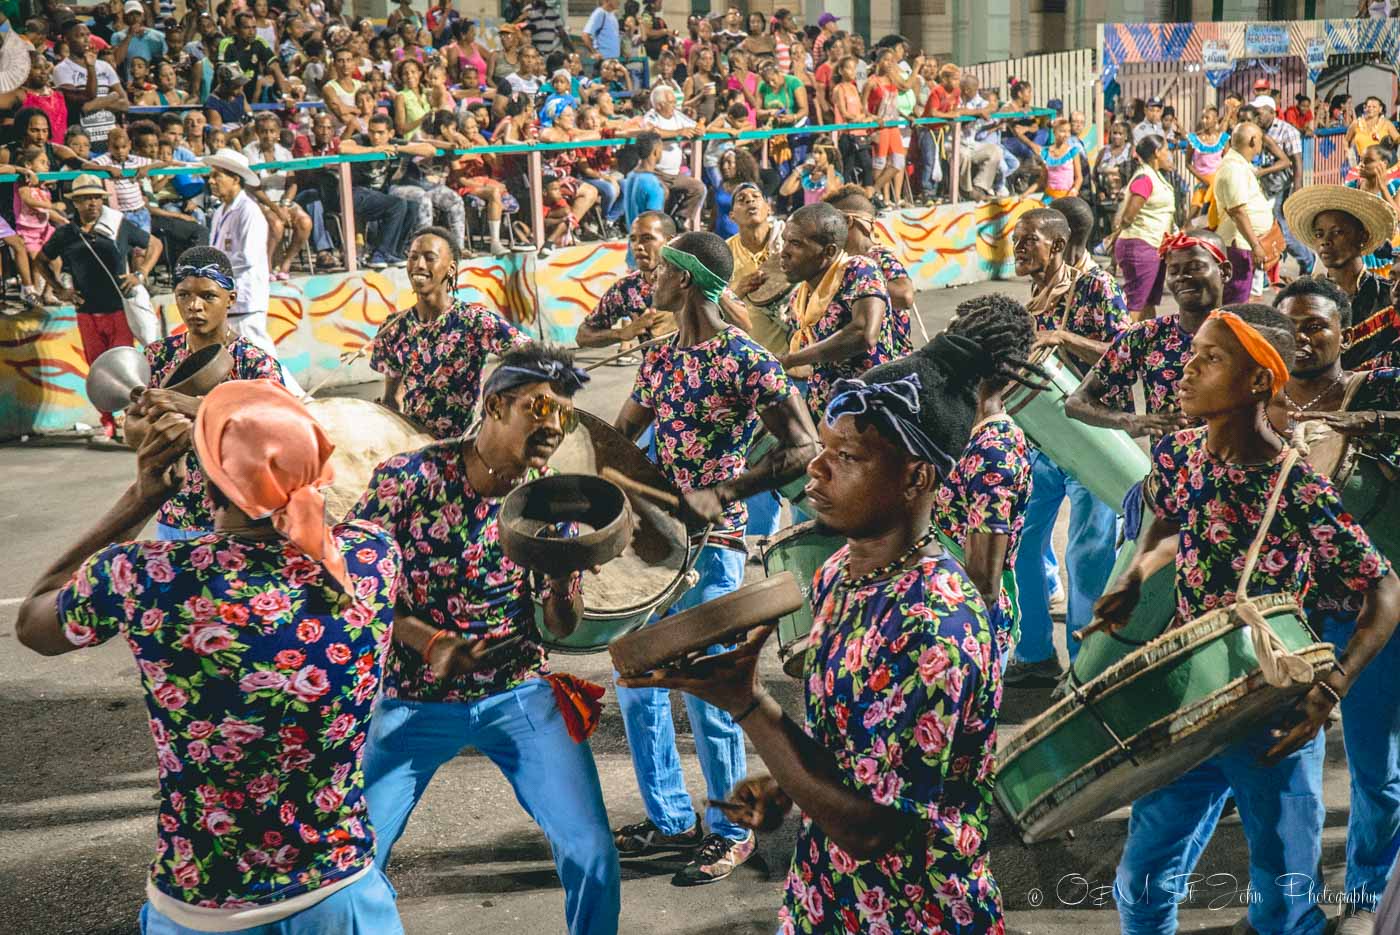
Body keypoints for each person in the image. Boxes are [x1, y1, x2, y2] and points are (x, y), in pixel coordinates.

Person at [620, 330, 1026, 933]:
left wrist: (748, 705)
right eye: (826, 447)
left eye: (849, 456)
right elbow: (851, 755)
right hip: (825, 894)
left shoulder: (933, 625)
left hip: (912, 910)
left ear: (916, 478)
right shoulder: (843, 568)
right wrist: (784, 782)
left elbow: (871, 827)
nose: (815, 466)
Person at [16, 380, 406, 933]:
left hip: (200, 905)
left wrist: (142, 496)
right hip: (340, 895)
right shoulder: (372, 560)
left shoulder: (146, 576)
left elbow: (34, 622)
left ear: (209, 479)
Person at [1096, 303, 1400, 935]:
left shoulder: (1298, 486)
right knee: (1142, 882)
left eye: (1211, 359)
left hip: (1274, 715)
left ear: (1260, 381)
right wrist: (1136, 573)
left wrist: (1332, 688)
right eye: (1194, 352)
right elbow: (1170, 517)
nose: (1187, 368)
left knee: (1284, 899)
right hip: (1190, 705)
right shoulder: (1180, 453)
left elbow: (1385, 589)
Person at [353, 339, 618, 935]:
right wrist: (430, 642)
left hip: (516, 691)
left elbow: (563, 625)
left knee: (593, 851)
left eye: (564, 413)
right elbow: (357, 588)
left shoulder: (552, 496)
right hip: (414, 699)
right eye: (539, 407)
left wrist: (558, 584)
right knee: (350, 858)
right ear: (495, 406)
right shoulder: (408, 479)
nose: (554, 425)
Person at [611, 230, 818, 886]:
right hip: (657, 548)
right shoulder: (661, 357)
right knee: (639, 686)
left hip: (716, 548)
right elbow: (619, 438)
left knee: (709, 694)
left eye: (662, 267)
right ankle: (670, 818)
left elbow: (805, 445)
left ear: (687, 281)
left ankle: (732, 829)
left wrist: (725, 489)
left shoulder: (744, 359)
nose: (650, 275)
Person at [1271, 275, 1400, 935]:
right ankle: (1290, 907)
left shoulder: (1377, 389)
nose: (1302, 335)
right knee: (1290, 780)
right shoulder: (1254, 403)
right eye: (1289, 323)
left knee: (1378, 774)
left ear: (1344, 331)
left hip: (1373, 615)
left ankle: (1366, 898)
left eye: (1317, 323)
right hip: (1289, 617)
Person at [1005, 207, 1127, 686]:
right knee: (1021, 545)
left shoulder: (1096, 287)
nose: (1017, 249)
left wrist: (1063, 336)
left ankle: (1087, 667)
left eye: (1027, 240)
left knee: (1088, 554)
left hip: (1089, 440)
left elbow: (1124, 352)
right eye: (1015, 240)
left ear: (1056, 244)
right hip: (1038, 440)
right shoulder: (1036, 292)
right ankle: (1034, 651)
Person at [135, 248, 286, 540]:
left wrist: (193, 407)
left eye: (208, 296)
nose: (194, 306)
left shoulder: (255, 362)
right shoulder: (158, 356)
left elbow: (276, 434)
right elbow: (133, 431)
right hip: (174, 515)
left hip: (241, 521)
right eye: (184, 295)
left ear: (231, 299)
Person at [934, 293, 1040, 664]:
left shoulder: (993, 452)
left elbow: (982, 584)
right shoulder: (962, 423)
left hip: (962, 630)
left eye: (951, 337)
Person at [367, 227, 531, 440]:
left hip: (463, 447)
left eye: (429, 258)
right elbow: (391, 400)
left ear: (451, 269)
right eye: (413, 257)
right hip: (416, 446)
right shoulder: (394, 328)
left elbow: (531, 354)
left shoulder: (475, 320)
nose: (419, 265)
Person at [1067, 230, 1230, 440]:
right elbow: (1077, 402)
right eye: (1174, 270)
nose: (1182, 278)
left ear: (1224, 271)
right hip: (1167, 472)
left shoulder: (1245, 337)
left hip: (1236, 472)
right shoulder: (1147, 335)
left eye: (1196, 267)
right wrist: (1128, 420)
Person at [38, 173, 162, 440]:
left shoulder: (118, 225)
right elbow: (42, 259)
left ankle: (132, 420)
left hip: (119, 309)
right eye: (84, 199)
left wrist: (140, 274)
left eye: (95, 197)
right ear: (75, 203)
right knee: (98, 370)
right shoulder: (66, 233)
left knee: (126, 369)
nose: (91, 203)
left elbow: (154, 243)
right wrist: (59, 289)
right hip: (86, 313)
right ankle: (108, 421)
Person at [777, 202, 895, 427]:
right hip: (825, 415)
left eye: (795, 244)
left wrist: (791, 359)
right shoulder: (800, 296)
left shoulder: (859, 270)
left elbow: (864, 333)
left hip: (867, 412)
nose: (784, 251)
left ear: (829, 251)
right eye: (785, 241)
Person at [204, 149, 306, 398]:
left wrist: (213, 267)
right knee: (243, 360)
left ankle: (300, 399)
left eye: (217, 176)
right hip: (228, 300)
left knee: (262, 356)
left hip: (246, 296)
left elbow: (248, 257)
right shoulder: (220, 212)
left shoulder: (249, 211)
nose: (211, 181)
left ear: (235, 179)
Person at [1283, 184, 1396, 335]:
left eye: (1337, 232)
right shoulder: (1308, 298)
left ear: (1363, 236)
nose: (1325, 241)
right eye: (1319, 234)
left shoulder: (1387, 296)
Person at [825, 185, 914, 353]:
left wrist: (851, 280)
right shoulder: (838, 262)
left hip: (886, 366)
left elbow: (905, 296)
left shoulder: (878, 257)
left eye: (830, 223)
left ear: (848, 222)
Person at [337, 113, 429, 269]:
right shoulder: (362, 140)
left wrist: (396, 148)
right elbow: (342, 147)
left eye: (380, 133)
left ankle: (394, 252)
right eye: (372, 132)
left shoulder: (393, 143)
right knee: (397, 204)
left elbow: (429, 149)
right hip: (354, 192)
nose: (375, 136)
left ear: (391, 133)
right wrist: (376, 149)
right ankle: (379, 254)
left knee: (412, 206)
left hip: (378, 195)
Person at [576, 211, 675, 349]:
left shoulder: (693, 280)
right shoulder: (627, 288)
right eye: (633, 239)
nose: (638, 246)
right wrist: (622, 333)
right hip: (654, 369)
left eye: (647, 238)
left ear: (669, 241)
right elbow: (582, 336)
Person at [1105, 134, 1176, 322]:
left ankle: (1147, 342)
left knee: (1148, 302)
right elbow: (1128, 216)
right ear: (1156, 153)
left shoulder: (1155, 176)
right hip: (1140, 244)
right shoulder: (1144, 178)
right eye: (1166, 150)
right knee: (1136, 303)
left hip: (1154, 245)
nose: (1169, 155)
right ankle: (1124, 343)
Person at [1211, 122, 1275, 303]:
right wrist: (1256, 246)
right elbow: (1237, 211)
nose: (1261, 145)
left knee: (1241, 297)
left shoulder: (1239, 164)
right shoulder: (1233, 168)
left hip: (1244, 242)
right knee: (1236, 301)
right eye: (1261, 140)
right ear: (1253, 141)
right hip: (1239, 243)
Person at [1252, 95, 1312, 277]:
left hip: (1281, 186)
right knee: (1263, 228)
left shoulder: (1287, 131)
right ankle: (1264, 273)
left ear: (1271, 112)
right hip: (1264, 187)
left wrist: (1297, 186)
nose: (1257, 116)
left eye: (1259, 112)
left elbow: (1297, 161)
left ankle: (1307, 260)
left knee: (1283, 231)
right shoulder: (1256, 130)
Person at [53, 20, 128, 152]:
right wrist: (111, 97)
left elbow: (125, 104)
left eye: (88, 35)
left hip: (111, 139)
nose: (86, 39)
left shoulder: (104, 66)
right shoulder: (62, 69)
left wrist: (96, 104)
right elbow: (81, 106)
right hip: (83, 142)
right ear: (66, 39)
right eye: (80, 36)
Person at [641, 85, 704, 226]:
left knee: (698, 188)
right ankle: (656, 226)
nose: (675, 105)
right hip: (655, 173)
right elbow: (650, 130)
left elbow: (696, 126)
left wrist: (699, 128)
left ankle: (679, 221)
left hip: (674, 174)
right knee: (661, 192)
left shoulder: (676, 114)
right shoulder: (651, 115)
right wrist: (678, 132)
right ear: (659, 105)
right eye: (671, 102)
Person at [1184, 106, 1228, 221]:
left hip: (1216, 180)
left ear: (1215, 120)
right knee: (1195, 207)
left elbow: (1227, 161)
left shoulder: (1223, 139)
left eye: (1207, 118)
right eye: (1202, 118)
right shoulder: (1194, 139)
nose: (1204, 121)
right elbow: (1188, 163)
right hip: (1202, 180)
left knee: (1207, 208)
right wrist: (1203, 179)